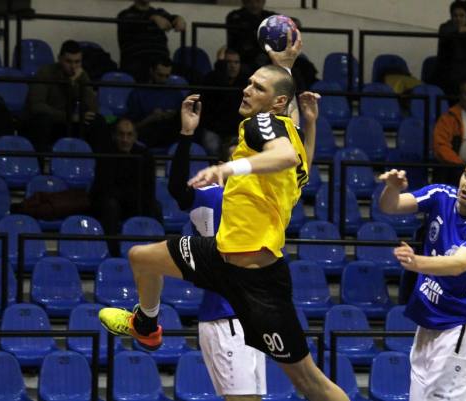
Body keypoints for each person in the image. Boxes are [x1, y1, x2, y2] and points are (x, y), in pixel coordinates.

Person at [99, 31, 350, 401]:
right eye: (248, 83)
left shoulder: (259, 125)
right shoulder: (288, 137)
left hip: (258, 281)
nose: (246, 89)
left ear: (277, 103)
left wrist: (228, 168)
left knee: (310, 383)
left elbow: (284, 154)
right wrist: (301, 105)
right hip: (219, 255)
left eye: (257, 87)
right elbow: (299, 159)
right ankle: (146, 325)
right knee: (141, 257)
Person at [379, 151, 466, 401]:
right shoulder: (441, 195)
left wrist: (416, 262)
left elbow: (459, 264)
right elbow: (389, 206)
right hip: (427, 324)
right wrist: (392, 188)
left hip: (459, 329)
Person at [169, 122, 266, 401]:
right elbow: (178, 189)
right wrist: (186, 135)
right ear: (222, 167)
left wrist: (308, 123)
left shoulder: (261, 200)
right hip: (225, 317)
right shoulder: (211, 195)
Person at [90, 117, 161, 256]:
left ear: (135, 137)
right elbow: (103, 188)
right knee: (110, 206)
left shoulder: (145, 155)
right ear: (115, 136)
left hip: (134, 201)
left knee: (155, 207)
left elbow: (148, 187)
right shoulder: (105, 154)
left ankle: (158, 252)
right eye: (121, 134)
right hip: (112, 201)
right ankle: (114, 254)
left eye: (129, 135)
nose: (125, 139)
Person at [22, 40, 105, 152]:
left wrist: (75, 83)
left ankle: (97, 162)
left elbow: (93, 108)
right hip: (51, 122)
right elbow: (37, 106)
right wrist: (69, 117)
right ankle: (40, 161)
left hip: (68, 123)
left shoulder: (81, 75)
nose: (73, 66)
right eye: (68, 61)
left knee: (97, 120)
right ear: (60, 59)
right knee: (42, 120)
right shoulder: (45, 73)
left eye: (77, 62)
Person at [117, 0, 186, 83]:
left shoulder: (159, 12)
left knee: (192, 75)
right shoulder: (125, 14)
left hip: (162, 61)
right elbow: (132, 20)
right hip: (138, 61)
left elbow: (173, 18)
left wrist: (179, 19)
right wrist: (153, 18)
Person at [199, 47, 250, 156]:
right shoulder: (211, 79)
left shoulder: (245, 81)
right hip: (213, 128)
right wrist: (220, 67)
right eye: (228, 62)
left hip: (235, 129)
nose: (233, 66)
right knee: (212, 148)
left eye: (236, 62)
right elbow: (221, 96)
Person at [126, 56, 183, 149]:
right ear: (151, 71)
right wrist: (150, 118)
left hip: (171, 134)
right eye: (160, 75)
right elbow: (130, 127)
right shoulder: (138, 94)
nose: (163, 80)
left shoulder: (175, 93)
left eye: (167, 76)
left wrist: (175, 115)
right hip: (147, 135)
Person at [225, 0, 275, 69]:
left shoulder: (269, 16)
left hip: (265, 62)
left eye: (258, 1)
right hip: (242, 62)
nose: (254, 5)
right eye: (250, 1)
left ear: (263, 2)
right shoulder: (235, 17)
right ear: (244, 2)